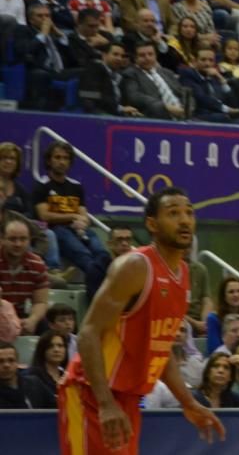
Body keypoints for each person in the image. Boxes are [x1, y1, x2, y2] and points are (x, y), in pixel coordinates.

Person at [57, 187, 224, 453]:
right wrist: (105, 403)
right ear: (152, 224)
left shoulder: (182, 273)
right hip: (92, 391)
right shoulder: (134, 266)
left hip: (128, 396)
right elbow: (88, 332)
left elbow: (161, 349)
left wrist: (188, 402)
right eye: (173, 213)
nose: (184, 220)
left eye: (189, 213)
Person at [32, 142, 111, 299]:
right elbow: (44, 216)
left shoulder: (76, 187)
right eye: (57, 157)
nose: (62, 161)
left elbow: (83, 214)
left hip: (77, 228)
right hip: (55, 230)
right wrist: (73, 217)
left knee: (100, 250)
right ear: (49, 161)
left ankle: (108, 277)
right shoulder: (41, 186)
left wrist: (81, 222)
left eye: (66, 158)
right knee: (83, 253)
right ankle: (97, 286)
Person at [0, 214, 48, 334]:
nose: (18, 244)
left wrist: (33, 319)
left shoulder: (37, 264)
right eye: (12, 239)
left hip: (20, 315)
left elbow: (40, 302)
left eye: (23, 239)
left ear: (29, 240)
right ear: (2, 239)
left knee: (44, 323)